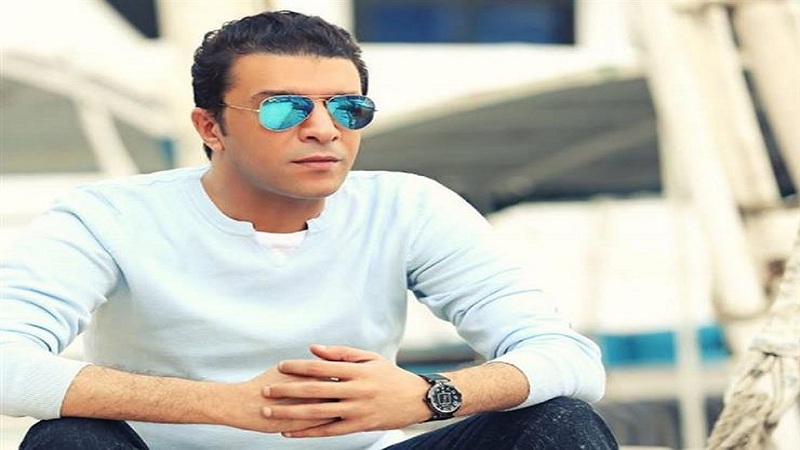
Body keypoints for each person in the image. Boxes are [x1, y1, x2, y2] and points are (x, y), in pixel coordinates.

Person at [1, 10, 618, 450]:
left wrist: (429, 395)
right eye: (284, 107)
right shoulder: (107, 217)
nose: (324, 128)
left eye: (348, 108)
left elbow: (568, 358)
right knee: (68, 438)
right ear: (210, 127)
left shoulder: (410, 207)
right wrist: (229, 404)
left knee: (558, 422)